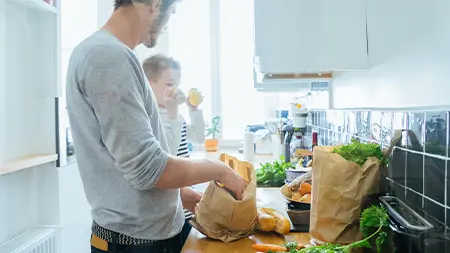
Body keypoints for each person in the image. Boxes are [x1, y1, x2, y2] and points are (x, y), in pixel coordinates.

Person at [65, 1, 247, 253]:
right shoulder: (108, 56)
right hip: (136, 245)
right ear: (155, 4)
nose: (166, 24)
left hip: (139, 239)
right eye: (170, 12)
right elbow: (148, 169)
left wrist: (180, 196)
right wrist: (220, 171)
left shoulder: (106, 53)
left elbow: (124, 166)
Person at [142, 54, 205, 244]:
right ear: (149, 84)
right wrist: (172, 112)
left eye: (177, 83)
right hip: (171, 204)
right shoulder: (150, 117)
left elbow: (199, 136)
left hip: (185, 205)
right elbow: (164, 155)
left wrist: (193, 111)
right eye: (170, 83)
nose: (176, 90)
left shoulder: (174, 116)